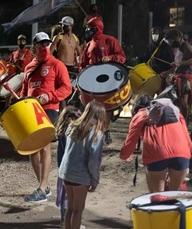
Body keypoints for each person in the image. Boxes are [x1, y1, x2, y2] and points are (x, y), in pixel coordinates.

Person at [21, 32, 72, 203]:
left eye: (46, 43)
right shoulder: (29, 66)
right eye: (41, 44)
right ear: (34, 46)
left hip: (49, 109)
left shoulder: (57, 64)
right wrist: (21, 102)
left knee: (44, 147)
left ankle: (42, 188)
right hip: (30, 110)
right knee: (31, 149)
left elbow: (67, 88)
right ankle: (43, 185)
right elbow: (25, 88)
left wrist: (49, 96)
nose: (44, 47)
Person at [120, 95, 192, 192]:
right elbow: (187, 138)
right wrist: (186, 155)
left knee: (157, 197)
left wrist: (125, 155)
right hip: (181, 153)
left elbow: (131, 138)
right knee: (174, 194)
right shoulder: (176, 113)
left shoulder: (141, 114)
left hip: (156, 154)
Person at [58, 101, 108, 229]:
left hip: (66, 172)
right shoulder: (95, 133)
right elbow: (94, 161)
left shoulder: (72, 126)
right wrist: (94, 180)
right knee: (78, 210)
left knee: (70, 208)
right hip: (81, 175)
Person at [80, 16, 126, 144]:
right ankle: (94, 133)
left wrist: (111, 57)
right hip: (92, 83)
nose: (87, 30)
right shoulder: (88, 45)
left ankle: (106, 131)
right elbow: (82, 65)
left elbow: (122, 57)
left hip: (108, 81)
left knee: (107, 109)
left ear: (96, 28)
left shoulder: (110, 40)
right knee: (91, 108)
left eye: (90, 27)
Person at [160, 29, 192, 122]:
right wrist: (167, 72)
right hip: (178, 77)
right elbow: (177, 67)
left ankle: (184, 124)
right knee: (177, 102)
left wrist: (180, 63)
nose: (170, 43)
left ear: (177, 37)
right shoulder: (179, 49)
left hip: (185, 78)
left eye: (171, 41)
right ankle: (179, 122)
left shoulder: (186, 46)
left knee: (183, 102)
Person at [55, 106, 83, 228]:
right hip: (74, 171)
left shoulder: (61, 132)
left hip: (62, 170)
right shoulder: (73, 134)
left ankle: (63, 222)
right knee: (73, 202)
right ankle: (73, 224)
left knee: (64, 200)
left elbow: (59, 155)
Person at [50, 16, 81, 110]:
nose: (63, 27)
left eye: (66, 25)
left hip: (71, 68)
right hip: (61, 66)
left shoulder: (75, 39)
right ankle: (62, 114)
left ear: (71, 26)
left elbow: (79, 54)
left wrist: (79, 65)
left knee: (72, 90)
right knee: (62, 91)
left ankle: (70, 111)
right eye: (62, 25)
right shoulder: (58, 37)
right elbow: (50, 52)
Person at [3, 34, 33, 106]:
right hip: (15, 78)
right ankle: (7, 109)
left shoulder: (29, 53)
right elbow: (8, 64)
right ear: (17, 41)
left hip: (25, 78)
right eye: (20, 40)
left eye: (23, 40)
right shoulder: (14, 53)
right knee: (10, 95)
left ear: (25, 42)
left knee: (23, 97)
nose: (21, 42)